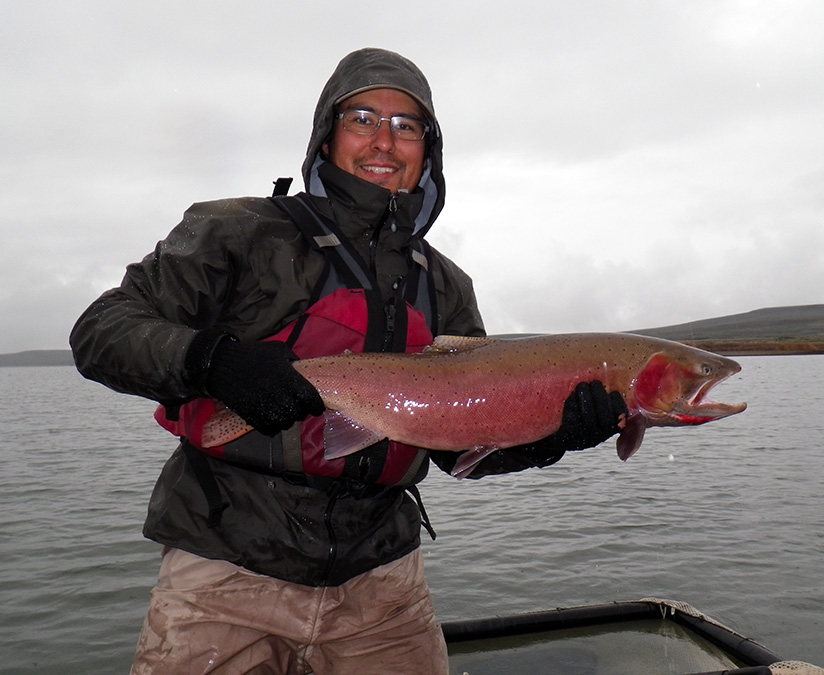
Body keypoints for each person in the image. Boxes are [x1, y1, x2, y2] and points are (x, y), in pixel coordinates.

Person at [70, 47, 627, 674]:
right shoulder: (237, 231)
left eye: (407, 126)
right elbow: (100, 331)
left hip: (383, 585)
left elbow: (457, 452)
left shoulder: (446, 284)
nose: (384, 140)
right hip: (224, 569)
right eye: (363, 118)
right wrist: (214, 362)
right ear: (326, 137)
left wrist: (551, 434)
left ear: (428, 151)